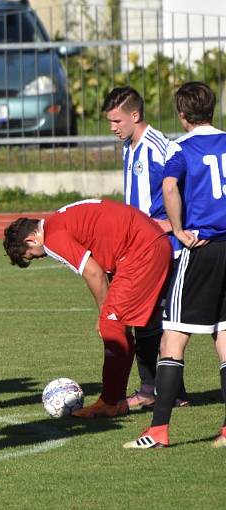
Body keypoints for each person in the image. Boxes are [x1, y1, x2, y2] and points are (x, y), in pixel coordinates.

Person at [125, 82, 226, 449]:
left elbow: (169, 187)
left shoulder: (181, 147)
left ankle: (158, 430)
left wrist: (179, 230)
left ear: (182, 116)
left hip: (200, 249)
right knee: (225, 338)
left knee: (173, 337)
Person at [3, 199, 172, 418]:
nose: (41, 257)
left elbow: (93, 272)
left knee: (111, 325)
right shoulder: (61, 218)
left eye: (34, 254)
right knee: (122, 326)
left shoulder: (53, 237)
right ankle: (118, 398)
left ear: (31, 238)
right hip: (148, 243)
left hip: (141, 251)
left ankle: (110, 402)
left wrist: (104, 312)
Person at [102, 86, 188, 410]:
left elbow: (182, 186)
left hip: (159, 248)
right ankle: (169, 391)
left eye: (116, 120)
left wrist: (175, 225)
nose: (113, 127)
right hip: (138, 248)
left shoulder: (160, 147)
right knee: (148, 318)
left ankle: (153, 389)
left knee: (156, 319)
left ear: (134, 115)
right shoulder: (129, 146)